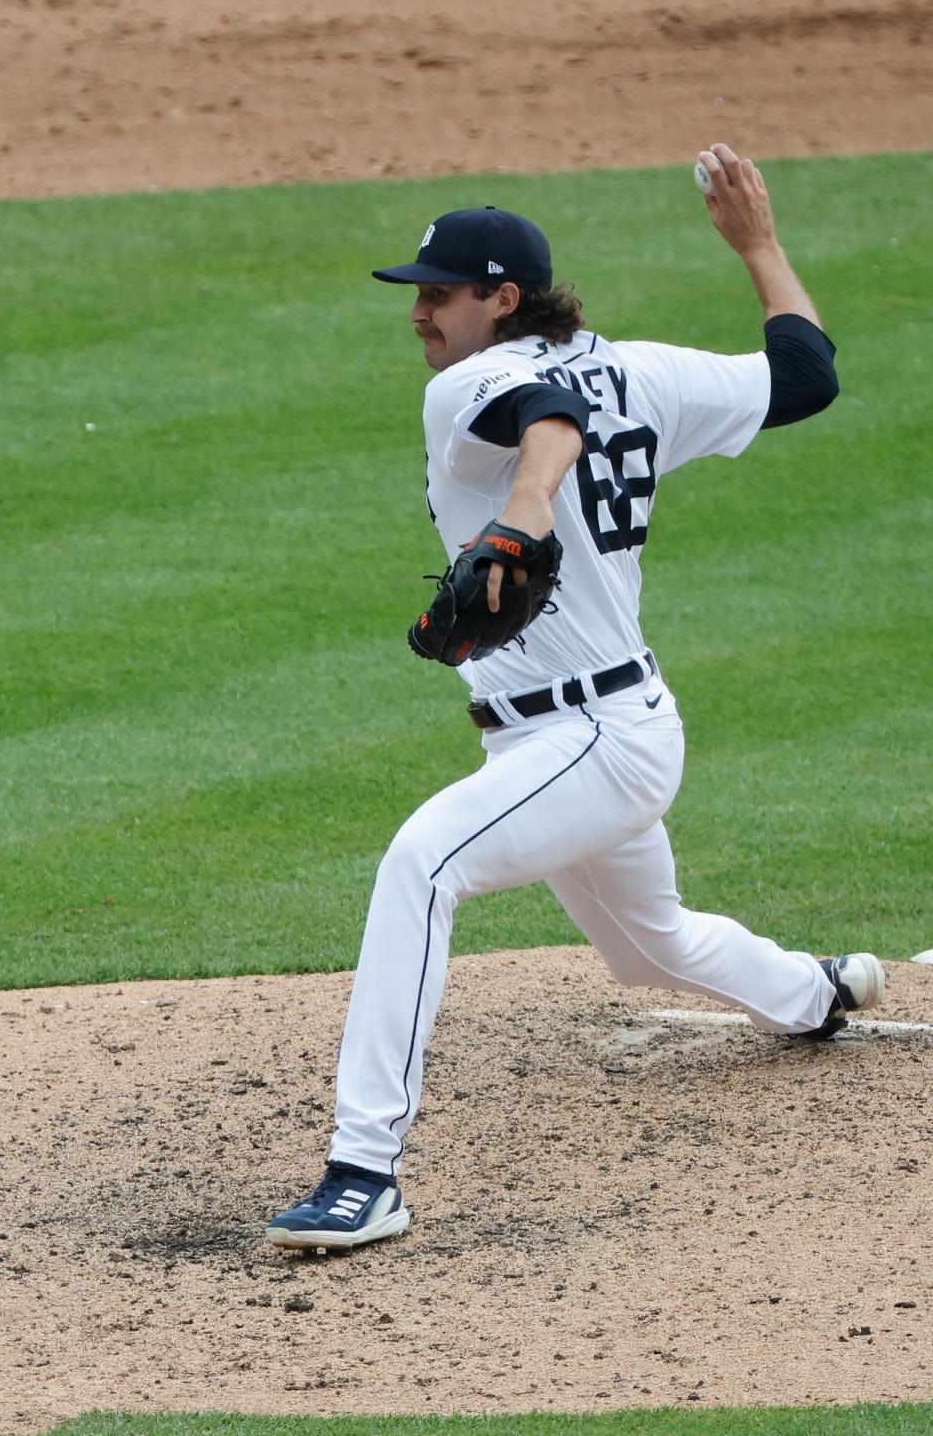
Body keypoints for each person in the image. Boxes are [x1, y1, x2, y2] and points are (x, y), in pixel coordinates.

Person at [266, 142, 885, 1253]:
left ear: (503, 300)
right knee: (650, 950)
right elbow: (806, 376)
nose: (423, 315)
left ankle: (366, 1171)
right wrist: (760, 248)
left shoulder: (471, 382)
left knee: (423, 863)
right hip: (592, 733)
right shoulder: (643, 370)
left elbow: (545, 412)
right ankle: (815, 992)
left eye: (442, 296)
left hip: (594, 735)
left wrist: (527, 508)